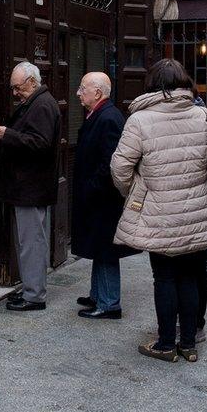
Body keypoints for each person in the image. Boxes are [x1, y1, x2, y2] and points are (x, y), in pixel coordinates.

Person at [111, 59, 207, 363]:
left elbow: (119, 167)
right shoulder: (203, 115)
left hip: (159, 213)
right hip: (197, 209)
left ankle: (166, 344)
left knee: (164, 277)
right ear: (184, 82)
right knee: (190, 276)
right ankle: (189, 343)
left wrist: (138, 191)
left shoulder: (139, 121)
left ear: (152, 84)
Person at [0, 61, 61, 312]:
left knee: (31, 242)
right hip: (31, 187)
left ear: (32, 82)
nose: (14, 93)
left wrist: (7, 134)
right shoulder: (39, 102)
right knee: (32, 241)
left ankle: (34, 296)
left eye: (17, 87)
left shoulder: (41, 105)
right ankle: (32, 290)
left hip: (31, 187)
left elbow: (40, 143)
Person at [72, 72, 137, 319]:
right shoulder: (99, 114)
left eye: (82, 89)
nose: (78, 93)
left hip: (104, 199)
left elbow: (110, 162)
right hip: (98, 198)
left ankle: (109, 303)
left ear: (97, 93)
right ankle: (98, 294)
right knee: (99, 248)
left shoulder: (109, 117)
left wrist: (91, 187)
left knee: (106, 250)